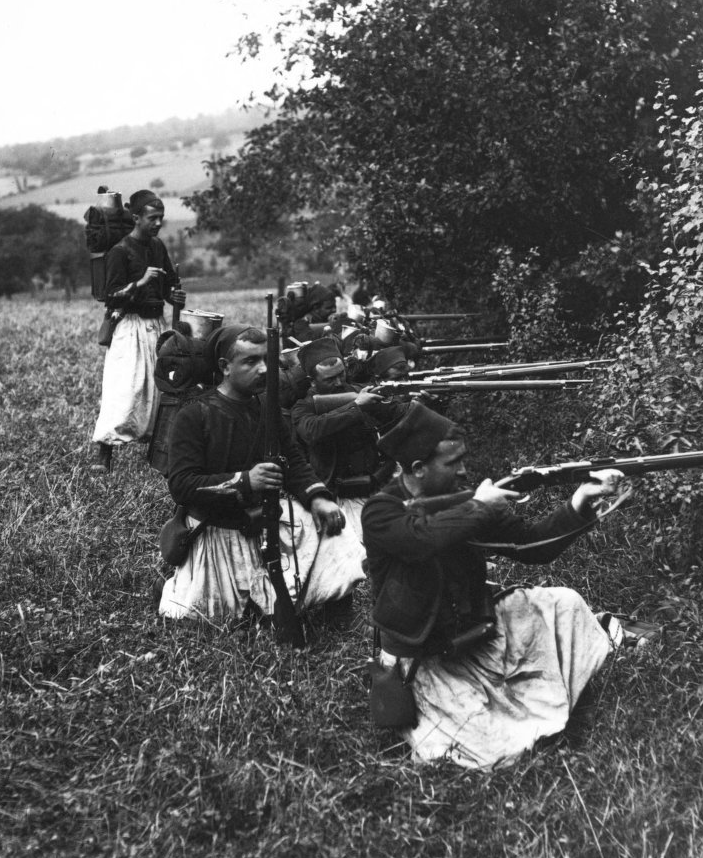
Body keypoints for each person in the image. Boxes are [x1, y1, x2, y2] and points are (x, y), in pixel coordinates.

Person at [361, 402, 623, 768]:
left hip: (478, 631)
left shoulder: (470, 501)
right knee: (492, 752)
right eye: (452, 463)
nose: (464, 471)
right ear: (418, 469)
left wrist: (578, 502)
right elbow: (419, 540)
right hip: (427, 656)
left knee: (565, 602)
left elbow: (533, 547)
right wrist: (479, 507)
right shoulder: (380, 511)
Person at [158, 325, 365, 623]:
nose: (263, 369)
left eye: (266, 359)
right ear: (225, 367)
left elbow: (293, 460)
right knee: (216, 615)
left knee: (336, 531)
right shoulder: (193, 415)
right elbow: (182, 485)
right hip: (218, 530)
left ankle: (333, 616)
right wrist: (245, 480)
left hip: (268, 518)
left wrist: (317, 497)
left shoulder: (267, 408)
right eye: (250, 361)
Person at [91, 190, 186, 473]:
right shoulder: (120, 251)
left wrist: (174, 296)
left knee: (158, 390)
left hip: (157, 326)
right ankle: (103, 454)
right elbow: (111, 296)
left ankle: (155, 454)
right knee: (125, 389)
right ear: (136, 218)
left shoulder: (157, 247)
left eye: (161, 218)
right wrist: (141, 282)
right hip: (130, 328)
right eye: (152, 218)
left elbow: (168, 285)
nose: (158, 223)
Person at [290, 338, 401, 537]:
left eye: (342, 374)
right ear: (312, 381)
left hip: (379, 487)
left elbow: (397, 413)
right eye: (330, 379)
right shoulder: (304, 407)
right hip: (340, 500)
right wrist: (357, 407)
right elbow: (311, 430)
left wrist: (425, 403)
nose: (339, 383)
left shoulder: (360, 391)